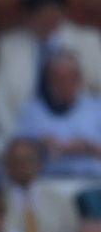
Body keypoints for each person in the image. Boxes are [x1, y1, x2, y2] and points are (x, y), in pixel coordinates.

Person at [0, 0, 101, 138]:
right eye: (35, 14)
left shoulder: (88, 41)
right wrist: (17, 139)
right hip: (24, 129)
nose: (43, 20)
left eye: (49, 14)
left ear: (60, 14)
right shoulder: (10, 45)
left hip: (80, 132)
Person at [17, 50, 101, 179]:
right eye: (58, 78)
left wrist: (85, 147)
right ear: (48, 80)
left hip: (91, 182)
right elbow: (18, 154)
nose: (64, 84)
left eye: (69, 78)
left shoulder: (96, 108)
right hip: (48, 184)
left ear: (79, 78)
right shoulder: (33, 111)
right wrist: (40, 146)